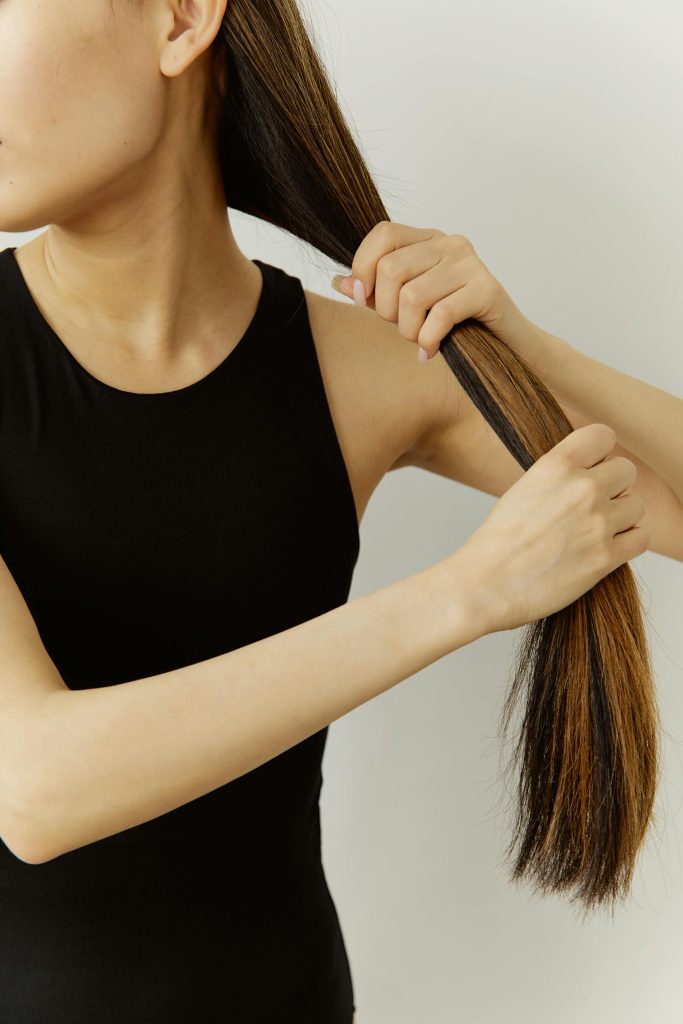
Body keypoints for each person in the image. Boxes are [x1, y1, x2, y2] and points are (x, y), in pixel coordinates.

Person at [0, 2, 665, 1022]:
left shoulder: (357, 372)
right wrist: (463, 594)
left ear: (179, 18)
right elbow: (36, 788)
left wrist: (522, 348)